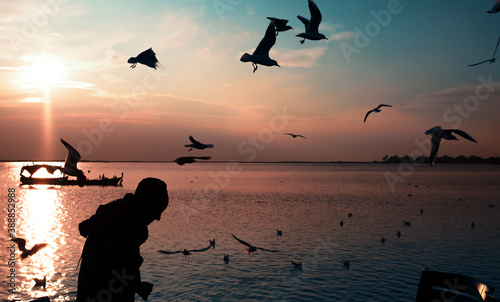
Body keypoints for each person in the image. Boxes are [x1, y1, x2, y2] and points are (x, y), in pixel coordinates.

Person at [76, 178, 169, 302]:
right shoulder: (121, 226)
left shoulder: (122, 216)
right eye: (157, 211)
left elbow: (125, 266)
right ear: (145, 204)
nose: (158, 218)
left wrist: (136, 285)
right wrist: (136, 286)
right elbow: (106, 274)